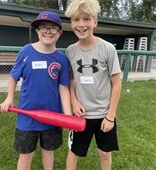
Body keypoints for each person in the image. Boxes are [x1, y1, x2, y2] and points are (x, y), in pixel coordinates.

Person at [0, 11, 72, 170]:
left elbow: (64, 87)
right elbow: (13, 77)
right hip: (27, 117)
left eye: (52, 28)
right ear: (37, 31)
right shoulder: (26, 51)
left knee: (48, 151)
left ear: (60, 33)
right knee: (25, 154)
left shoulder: (61, 59)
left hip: (52, 116)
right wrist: (9, 98)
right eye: (43, 27)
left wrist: (67, 114)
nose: (48, 31)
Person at [65, 0, 122, 170]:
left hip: (104, 113)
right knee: (74, 152)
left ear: (95, 21)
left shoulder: (108, 48)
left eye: (86, 19)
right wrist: (74, 102)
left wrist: (110, 116)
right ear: (71, 23)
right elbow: (71, 80)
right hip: (81, 115)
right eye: (76, 19)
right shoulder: (70, 51)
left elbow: (117, 83)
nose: (81, 24)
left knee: (104, 153)